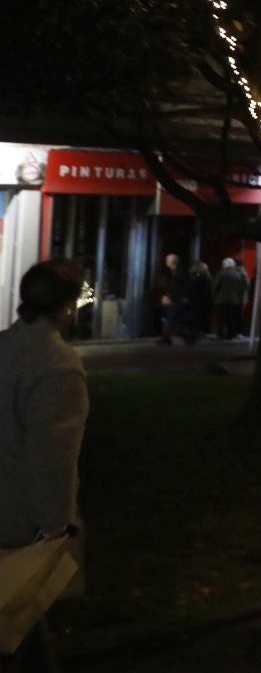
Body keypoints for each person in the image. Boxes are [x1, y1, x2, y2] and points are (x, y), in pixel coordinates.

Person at [0, 260, 88, 671]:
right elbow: (53, 454)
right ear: (66, 307)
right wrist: (57, 527)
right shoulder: (58, 365)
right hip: (21, 528)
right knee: (23, 629)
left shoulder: (4, 347)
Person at [212, 257, 251, 340]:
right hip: (235, 300)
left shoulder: (221, 274)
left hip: (222, 300)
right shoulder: (238, 274)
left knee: (222, 319)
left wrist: (214, 296)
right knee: (231, 319)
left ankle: (220, 334)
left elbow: (215, 286)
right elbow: (242, 287)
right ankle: (229, 335)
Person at [152, 251, 180, 344]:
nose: (166, 262)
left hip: (175, 300)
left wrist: (169, 297)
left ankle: (166, 337)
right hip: (174, 299)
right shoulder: (174, 272)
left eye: (167, 260)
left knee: (170, 318)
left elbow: (176, 287)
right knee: (170, 318)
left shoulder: (177, 273)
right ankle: (166, 337)